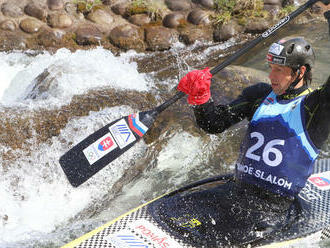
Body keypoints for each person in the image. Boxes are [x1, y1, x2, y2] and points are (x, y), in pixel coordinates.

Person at [174, 25, 330, 248]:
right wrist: (201, 99)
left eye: (279, 70)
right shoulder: (259, 95)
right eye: (270, 68)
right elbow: (214, 124)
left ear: (300, 72)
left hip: (271, 211)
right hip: (236, 192)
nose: (271, 76)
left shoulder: (316, 108)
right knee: (176, 211)